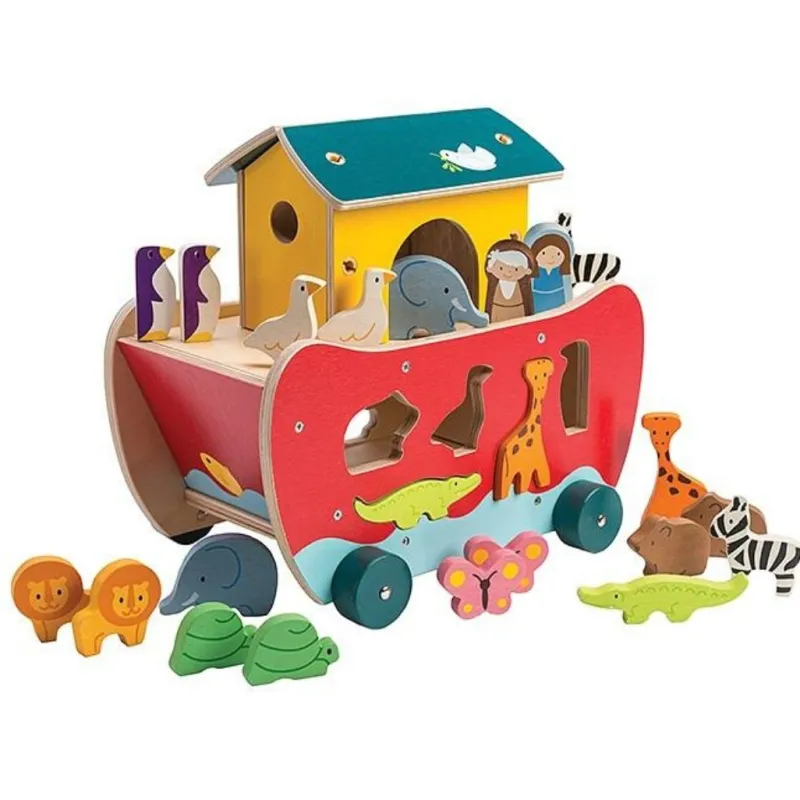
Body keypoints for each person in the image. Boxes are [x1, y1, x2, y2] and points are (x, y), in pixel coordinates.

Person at [523, 222, 574, 313]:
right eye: (543, 253)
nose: (551, 258)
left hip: (559, 304)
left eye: (558, 254)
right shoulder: (532, 274)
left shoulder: (563, 274)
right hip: (538, 305)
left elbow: (567, 292)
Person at [484, 238, 536, 323]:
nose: (508, 272)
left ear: (527, 271)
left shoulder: (522, 289)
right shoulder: (494, 288)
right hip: (497, 313)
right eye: (501, 268)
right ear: (490, 269)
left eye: (516, 269)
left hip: (518, 315)